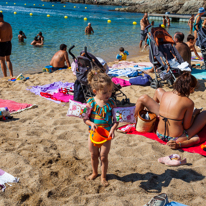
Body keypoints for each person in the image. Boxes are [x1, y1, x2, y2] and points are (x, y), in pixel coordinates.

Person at [134, 72, 206, 150]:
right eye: (193, 89)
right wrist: (194, 114)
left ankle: (137, 121)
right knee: (204, 114)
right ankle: (181, 142)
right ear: (190, 88)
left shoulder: (165, 94)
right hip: (175, 138)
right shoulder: (189, 103)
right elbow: (186, 126)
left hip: (159, 134)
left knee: (159, 92)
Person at [84, 70, 118, 186]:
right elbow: (85, 118)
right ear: (95, 91)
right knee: (93, 155)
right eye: (104, 92)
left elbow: (116, 120)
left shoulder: (111, 103)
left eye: (110, 91)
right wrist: (90, 123)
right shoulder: (91, 102)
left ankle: (103, 176)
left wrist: (113, 129)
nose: (108, 94)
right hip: (93, 134)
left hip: (106, 135)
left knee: (103, 156)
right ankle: (94, 172)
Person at [0, 13, 13, 77]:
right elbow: (11, 36)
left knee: (2, 60)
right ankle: (11, 75)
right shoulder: (8, 25)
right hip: (9, 43)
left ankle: (5, 76)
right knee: (8, 60)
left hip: (1, 44)